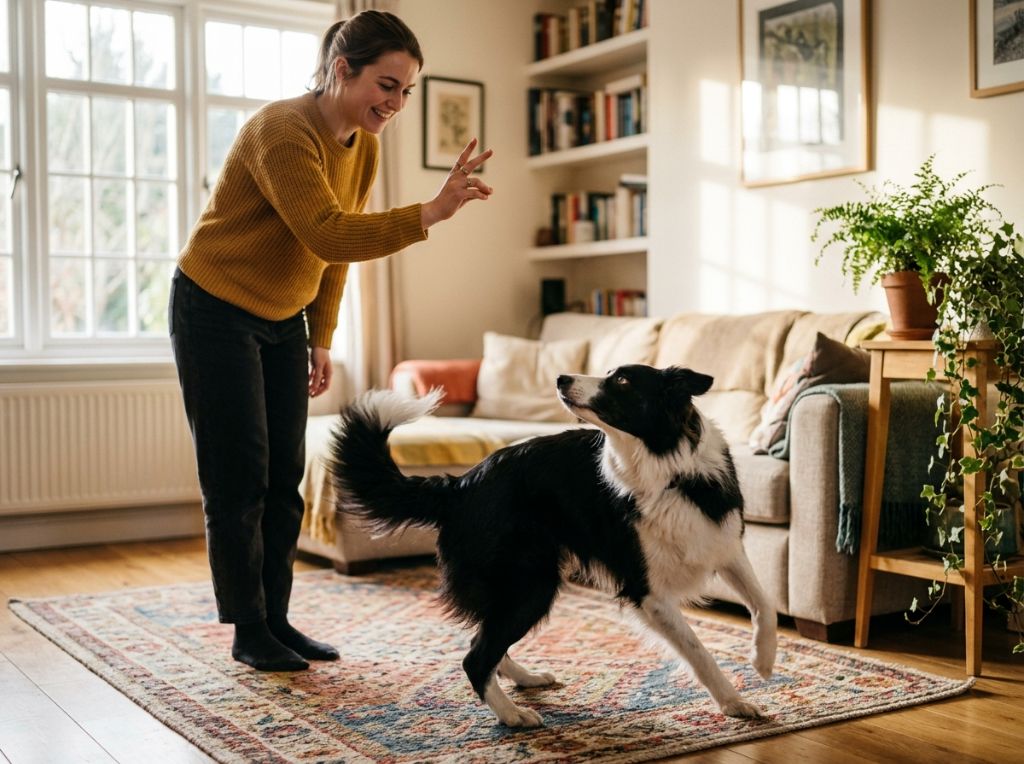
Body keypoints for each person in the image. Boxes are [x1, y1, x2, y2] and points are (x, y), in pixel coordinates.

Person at [169, 10, 492, 672]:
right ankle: (247, 628)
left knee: (285, 476)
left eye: (405, 92)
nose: (396, 104)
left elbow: (332, 255)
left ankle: (277, 619)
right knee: (240, 479)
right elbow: (327, 233)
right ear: (342, 69)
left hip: (283, 314)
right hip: (214, 307)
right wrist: (429, 212)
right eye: (387, 85)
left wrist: (321, 337)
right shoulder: (282, 131)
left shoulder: (364, 147)